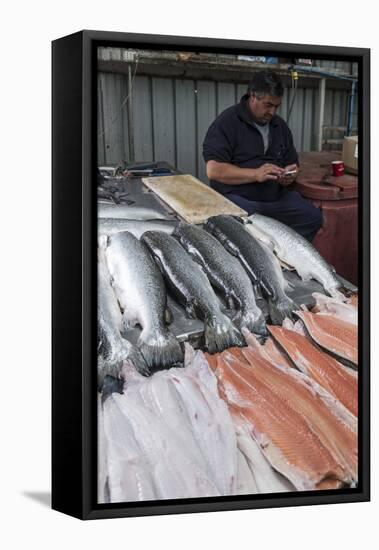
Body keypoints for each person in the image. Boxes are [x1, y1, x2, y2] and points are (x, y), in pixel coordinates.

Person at [202, 70, 322, 242]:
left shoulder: (279, 126)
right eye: (268, 105)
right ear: (252, 96)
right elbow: (213, 170)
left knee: (312, 217)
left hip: (275, 197)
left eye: (277, 106)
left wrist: (290, 174)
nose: (272, 112)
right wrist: (255, 174)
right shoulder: (227, 122)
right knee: (247, 232)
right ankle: (261, 259)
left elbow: (292, 162)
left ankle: (285, 258)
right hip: (239, 197)